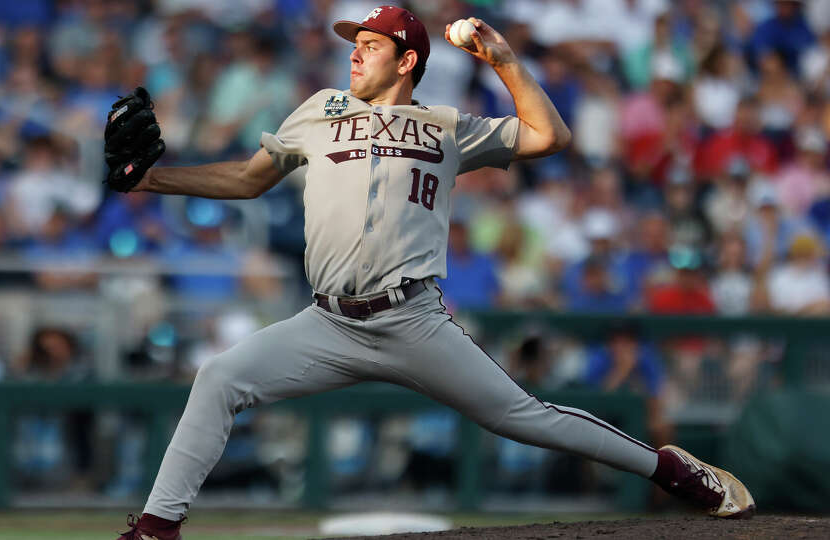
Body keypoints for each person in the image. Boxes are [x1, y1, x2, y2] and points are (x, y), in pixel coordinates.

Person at [107, 8, 755, 539]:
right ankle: (158, 528)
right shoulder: (320, 109)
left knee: (523, 417)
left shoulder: (446, 126)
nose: (355, 54)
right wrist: (154, 181)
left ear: (407, 59)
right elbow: (249, 180)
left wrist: (502, 58)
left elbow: (548, 138)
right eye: (352, 44)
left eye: (369, 44)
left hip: (412, 318)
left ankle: (666, 468)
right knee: (220, 375)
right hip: (328, 321)